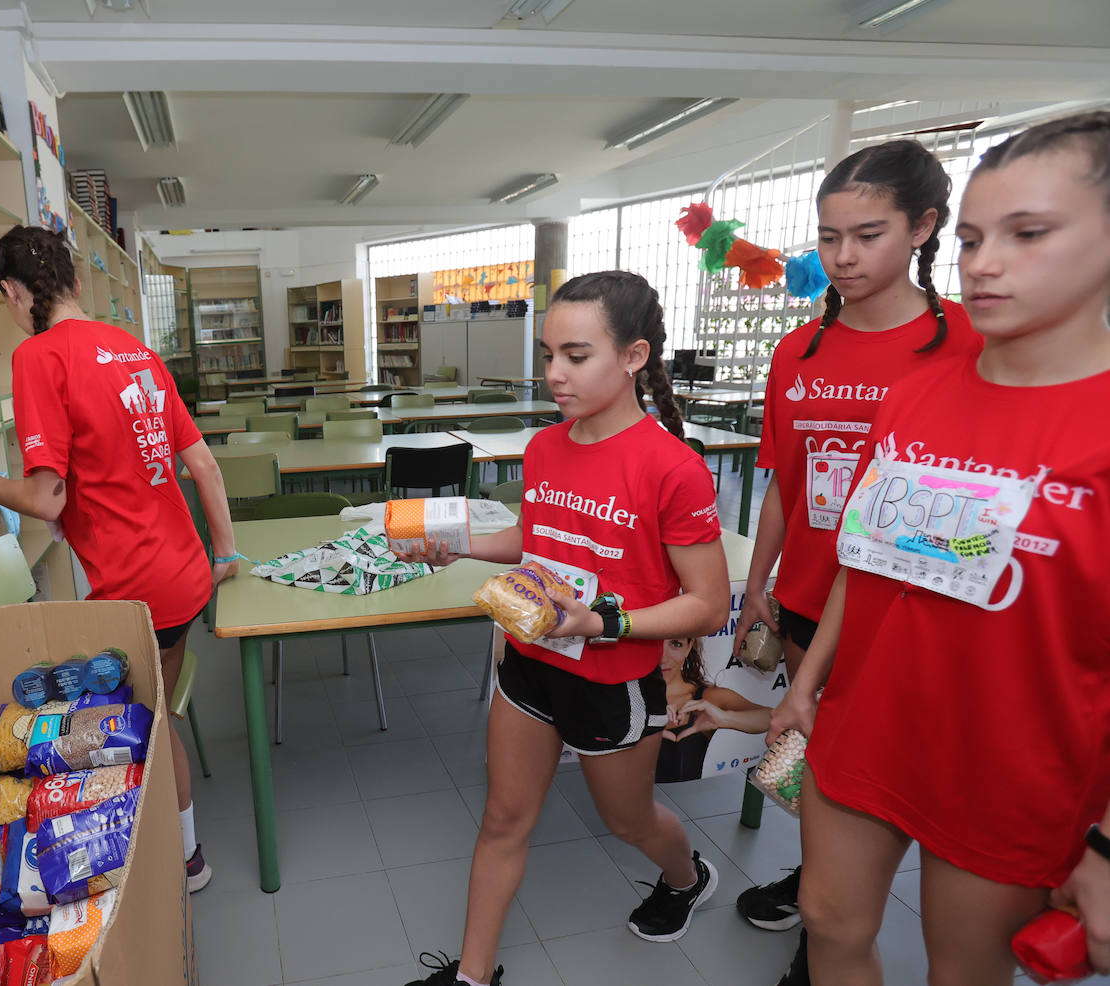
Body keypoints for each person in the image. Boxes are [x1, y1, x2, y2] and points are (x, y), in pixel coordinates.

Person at [770, 110, 1110, 986]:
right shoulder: (919, 395)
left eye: (1028, 234)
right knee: (827, 923)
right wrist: (806, 686)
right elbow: (867, 555)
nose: (986, 262)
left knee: (962, 970)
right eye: (972, 238)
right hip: (867, 719)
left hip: (1013, 759)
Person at [401, 270, 731, 986]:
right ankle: (473, 977)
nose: (554, 373)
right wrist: (458, 541)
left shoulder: (673, 470)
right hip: (528, 664)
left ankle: (686, 876)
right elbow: (535, 538)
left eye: (575, 356)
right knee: (501, 821)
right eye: (548, 354)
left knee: (629, 822)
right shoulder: (548, 447)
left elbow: (708, 605)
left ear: (635, 356)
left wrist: (604, 620)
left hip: (612, 681)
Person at [729, 139, 982, 981]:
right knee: (815, 754)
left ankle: (843, 905)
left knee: (907, 771)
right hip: (811, 596)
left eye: (867, 235)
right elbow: (782, 485)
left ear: (923, 228)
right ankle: (822, 903)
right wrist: (759, 581)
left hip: (921, 608)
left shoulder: (969, 344)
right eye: (829, 237)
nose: (843, 257)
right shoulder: (797, 352)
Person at [0, 225, 238, 894]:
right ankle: (164, 846)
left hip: (133, 587)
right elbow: (200, 463)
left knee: (136, 721)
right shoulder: (136, 350)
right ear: (78, 282)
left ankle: (174, 859)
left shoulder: (39, 357)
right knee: (151, 706)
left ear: (13, 294)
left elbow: (47, 497)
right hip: (183, 575)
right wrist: (224, 554)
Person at [657, 636, 770, 784]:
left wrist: (724, 719)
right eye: (655, 643)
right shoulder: (622, 696)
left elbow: (773, 718)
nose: (663, 657)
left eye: (676, 644)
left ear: (689, 647)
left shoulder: (707, 698)